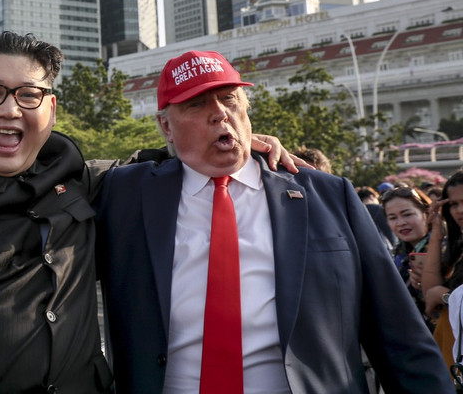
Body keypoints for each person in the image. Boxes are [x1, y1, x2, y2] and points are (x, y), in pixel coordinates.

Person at [0, 33, 303, 393]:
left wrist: (238, 143)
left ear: (50, 109)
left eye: (29, 95)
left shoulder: (83, 182)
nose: (10, 108)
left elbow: (158, 163)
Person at [95, 49, 451, 393]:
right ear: (165, 126)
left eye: (229, 99)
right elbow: (61, 168)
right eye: (196, 104)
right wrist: (177, 154)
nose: (219, 113)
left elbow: (399, 334)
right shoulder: (126, 195)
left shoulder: (328, 195)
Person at [422, 169, 463, 368]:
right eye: (453, 204)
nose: (460, 210)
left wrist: (445, 296)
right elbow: (429, 292)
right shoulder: (458, 245)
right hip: (451, 353)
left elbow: (436, 294)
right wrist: (437, 231)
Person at [381, 186, 435, 329]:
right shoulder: (397, 253)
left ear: (427, 212)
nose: (401, 223)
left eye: (407, 214)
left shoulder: (447, 249)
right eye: (393, 218)